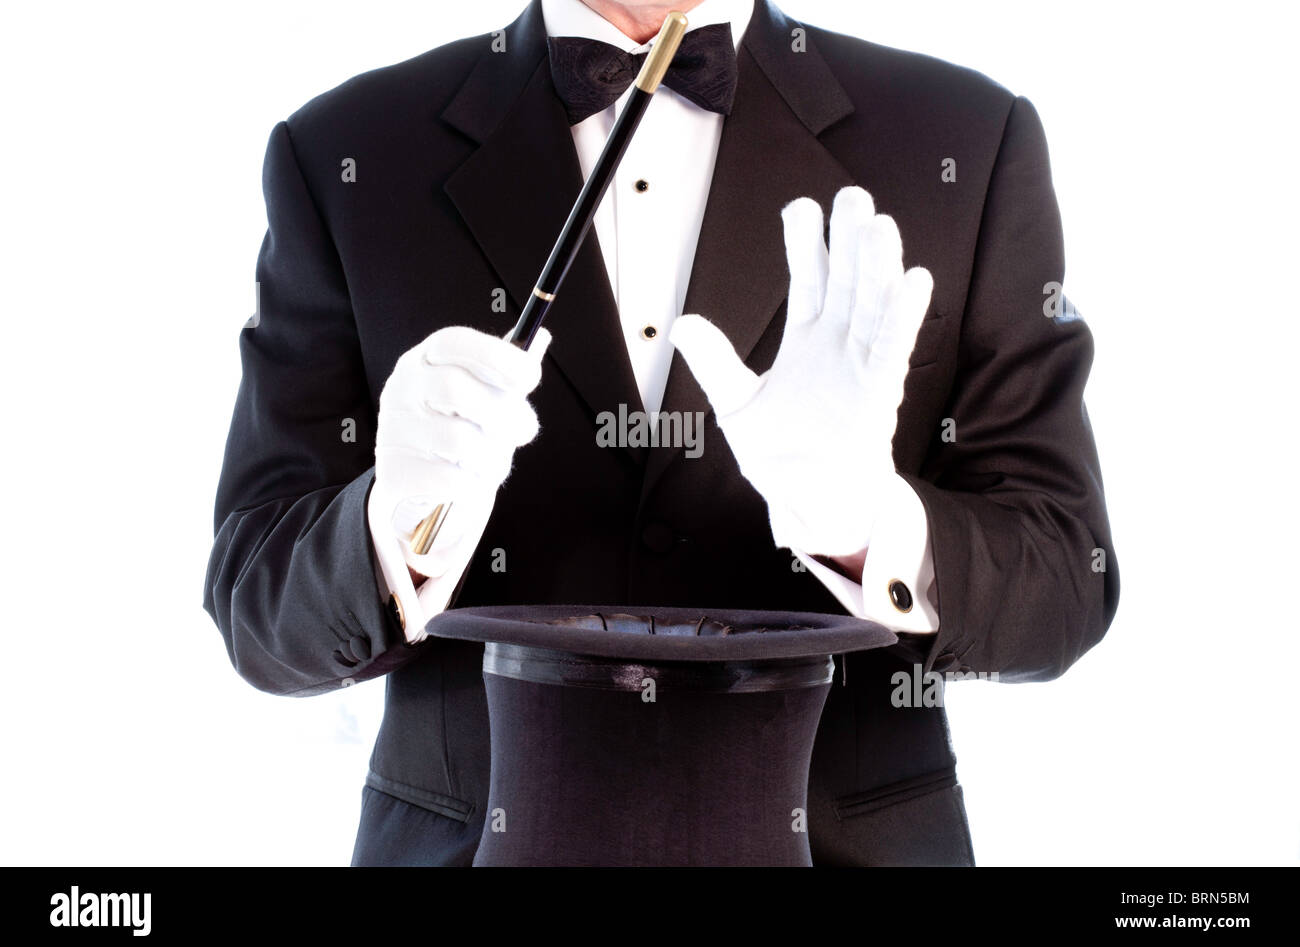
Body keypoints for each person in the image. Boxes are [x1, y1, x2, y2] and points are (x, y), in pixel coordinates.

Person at [204, 0, 1119, 866]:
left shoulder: (964, 137)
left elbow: (1064, 582)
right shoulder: (344, 151)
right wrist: (389, 527)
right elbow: (258, 607)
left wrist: (867, 522)